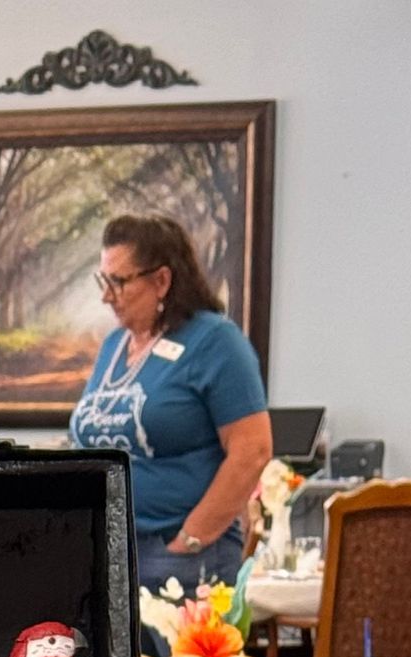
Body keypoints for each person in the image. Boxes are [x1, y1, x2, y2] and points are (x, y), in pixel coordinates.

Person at [69, 216, 270, 594]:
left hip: (182, 556)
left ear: (161, 280)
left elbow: (253, 450)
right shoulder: (113, 346)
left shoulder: (216, 342)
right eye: (104, 280)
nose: (106, 295)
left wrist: (189, 541)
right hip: (109, 556)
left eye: (119, 281)